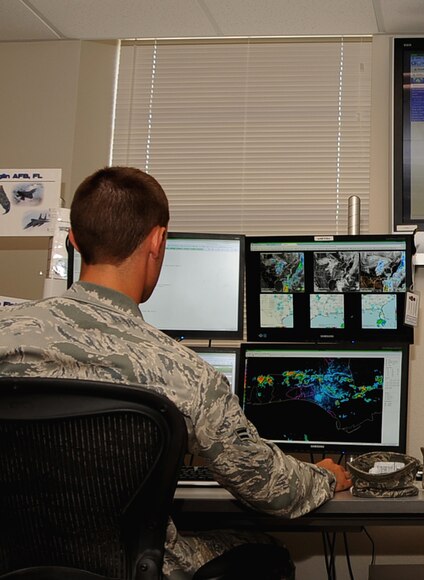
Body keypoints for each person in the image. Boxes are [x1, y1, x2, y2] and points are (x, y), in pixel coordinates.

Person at [0, 166, 352, 579]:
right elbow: (272, 490)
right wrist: (324, 476)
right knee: (265, 548)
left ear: (74, 241)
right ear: (157, 240)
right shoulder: (185, 373)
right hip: (138, 569)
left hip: (13, 564)